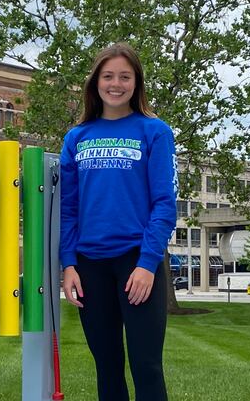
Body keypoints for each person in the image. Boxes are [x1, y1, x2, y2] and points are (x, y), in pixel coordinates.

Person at [60, 42, 177, 401]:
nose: (116, 83)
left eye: (124, 76)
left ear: (136, 83)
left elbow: (164, 204)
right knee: (107, 366)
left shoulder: (154, 131)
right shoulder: (77, 137)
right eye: (108, 76)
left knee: (146, 366)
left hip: (136, 262)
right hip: (90, 265)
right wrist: (69, 263)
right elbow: (67, 209)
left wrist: (146, 264)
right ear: (95, 83)